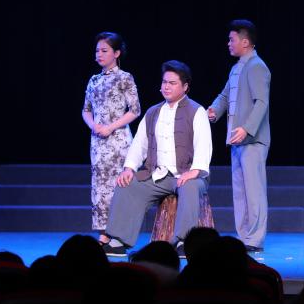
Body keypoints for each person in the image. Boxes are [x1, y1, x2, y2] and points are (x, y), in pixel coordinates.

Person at [102, 61, 212, 258]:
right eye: (164, 82)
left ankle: (183, 241)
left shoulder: (197, 111)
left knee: (190, 186)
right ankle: (118, 241)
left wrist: (195, 171)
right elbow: (139, 144)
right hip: (158, 175)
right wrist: (129, 168)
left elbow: (204, 144)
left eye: (172, 83)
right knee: (127, 184)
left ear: (185, 86)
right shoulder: (153, 112)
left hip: (188, 174)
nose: (166, 86)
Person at [208, 20, 271, 253]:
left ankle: (255, 238)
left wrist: (247, 128)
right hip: (236, 139)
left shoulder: (257, 66)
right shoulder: (237, 68)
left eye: (231, 39)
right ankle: (244, 237)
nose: (228, 43)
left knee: (254, 191)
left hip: (252, 139)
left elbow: (261, 102)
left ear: (245, 42)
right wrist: (214, 110)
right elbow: (225, 95)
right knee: (240, 192)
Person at [82, 32, 141, 243]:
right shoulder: (94, 80)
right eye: (97, 50)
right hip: (98, 142)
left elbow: (135, 110)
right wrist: (94, 125)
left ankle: (119, 233)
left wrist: (110, 127)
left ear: (116, 53)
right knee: (100, 187)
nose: (99, 54)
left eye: (104, 50)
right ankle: (103, 233)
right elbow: (86, 110)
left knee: (119, 186)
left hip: (118, 141)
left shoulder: (124, 77)